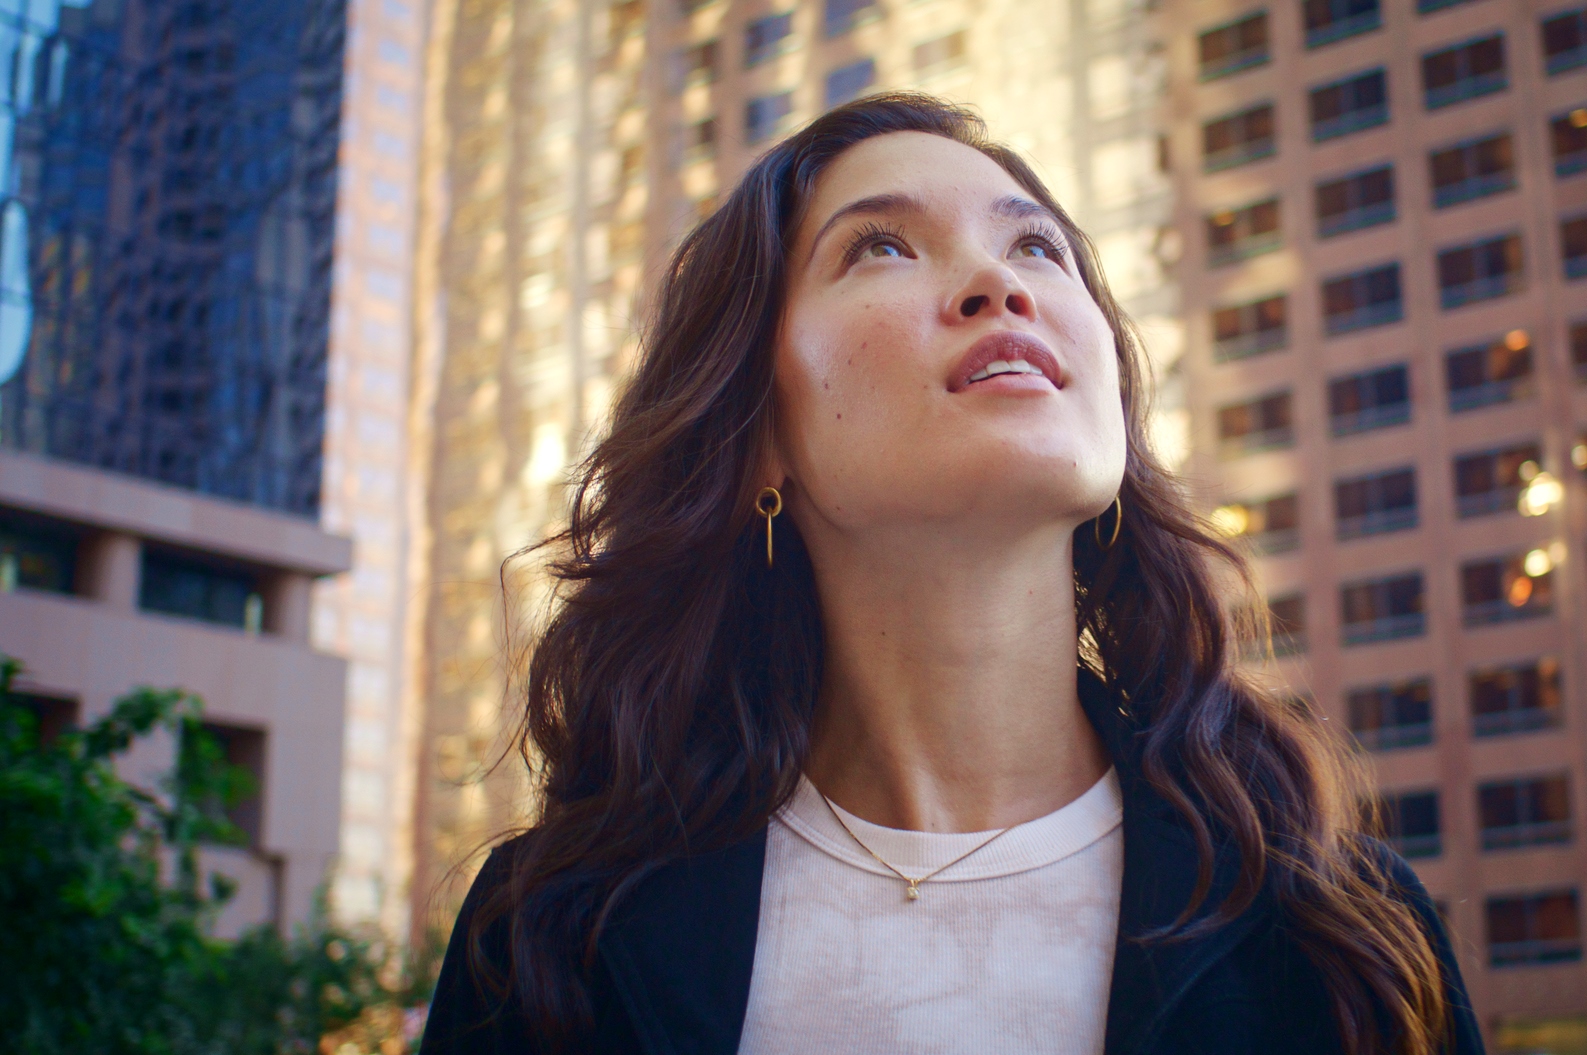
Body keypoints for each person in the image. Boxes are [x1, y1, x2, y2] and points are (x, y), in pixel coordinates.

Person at [421, 91, 1481, 1055]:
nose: (997, 282)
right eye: (879, 246)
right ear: (756, 439)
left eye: (1036, 247)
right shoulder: (553, 936)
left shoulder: (1339, 929)